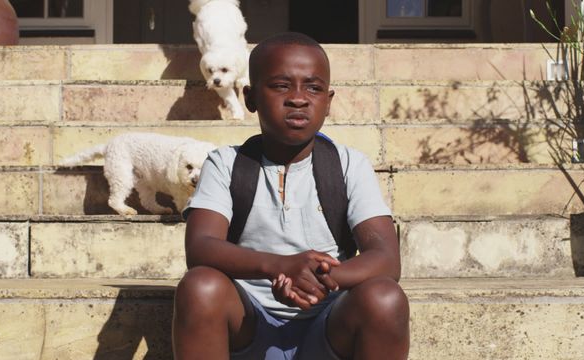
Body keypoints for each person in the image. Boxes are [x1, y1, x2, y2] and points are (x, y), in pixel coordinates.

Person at [173, 32, 409, 360]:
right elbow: (200, 247)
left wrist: (319, 280)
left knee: (385, 296)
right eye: (281, 85)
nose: (298, 99)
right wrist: (280, 267)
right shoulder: (226, 163)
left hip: (329, 327)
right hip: (249, 327)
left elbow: (386, 257)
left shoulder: (349, 165)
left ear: (328, 100)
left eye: (313, 87)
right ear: (250, 98)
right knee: (200, 286)